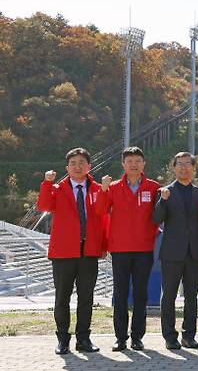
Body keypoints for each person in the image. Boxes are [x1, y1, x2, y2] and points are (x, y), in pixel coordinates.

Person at [37, 147, 105, 355]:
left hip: (89, 251)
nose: (77, 167)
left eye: (81, 163)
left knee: (86, 297)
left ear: (89, 166)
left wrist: (103, 246)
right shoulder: (57, 189)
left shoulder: (96, 189)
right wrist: (47, 183)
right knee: (62, 297)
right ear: (67, 167)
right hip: (63, 252)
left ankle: (83, 338)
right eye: (73, 163)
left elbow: (103, 216)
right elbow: (44, 205)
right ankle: (62, 339)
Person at [95, 146, 161, 352]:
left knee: (141, 295)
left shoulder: (154, 187)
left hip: (144, 249)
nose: (133, 165)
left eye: (137, 161)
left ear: (144, 164)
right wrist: (103, 190)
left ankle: (137, 337)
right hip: (121, 249)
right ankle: (120, 338)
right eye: (129, 161)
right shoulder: (113, 187)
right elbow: (99, 210)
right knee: (121, 294)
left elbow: (159, 216)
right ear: (123, 164)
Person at [152, 152, 198, 350]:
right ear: (173, 168)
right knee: (169, 295)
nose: (184, 168)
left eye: (187, 164)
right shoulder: (165, 191)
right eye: (179, 164)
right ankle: (169, 336)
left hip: (194, 251)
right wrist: (163, 200)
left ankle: (189, 335)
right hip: (171, 252)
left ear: (193, 168)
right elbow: (156, 218)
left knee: (192, 296)